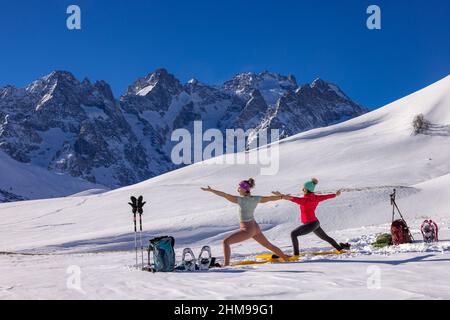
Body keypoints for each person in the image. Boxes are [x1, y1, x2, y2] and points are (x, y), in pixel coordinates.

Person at [201, 178, 289, 266]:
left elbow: (225, 195)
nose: (237, 189)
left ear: (244, 189)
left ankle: (226, 265)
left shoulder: (241, 200)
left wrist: (212, 190)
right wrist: (282, 197)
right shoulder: (256, 198)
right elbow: (270, 198)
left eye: (239, 187)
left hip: (247, 229)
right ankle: (285, 258)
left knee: (226, 242)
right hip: (255, 227)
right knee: (268, 245)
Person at [272, 178, 350, 256]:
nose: (302, 189)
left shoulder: (304, 200)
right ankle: (340, 248)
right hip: (315, 223)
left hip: (311, 224)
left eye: (304, 188)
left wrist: (281, 196)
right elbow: (326, 196)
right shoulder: (316, 198)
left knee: (293, 234)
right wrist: (335, 195)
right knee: (325, 237)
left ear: (306, 190)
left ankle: (296, 255)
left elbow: (292, 198)